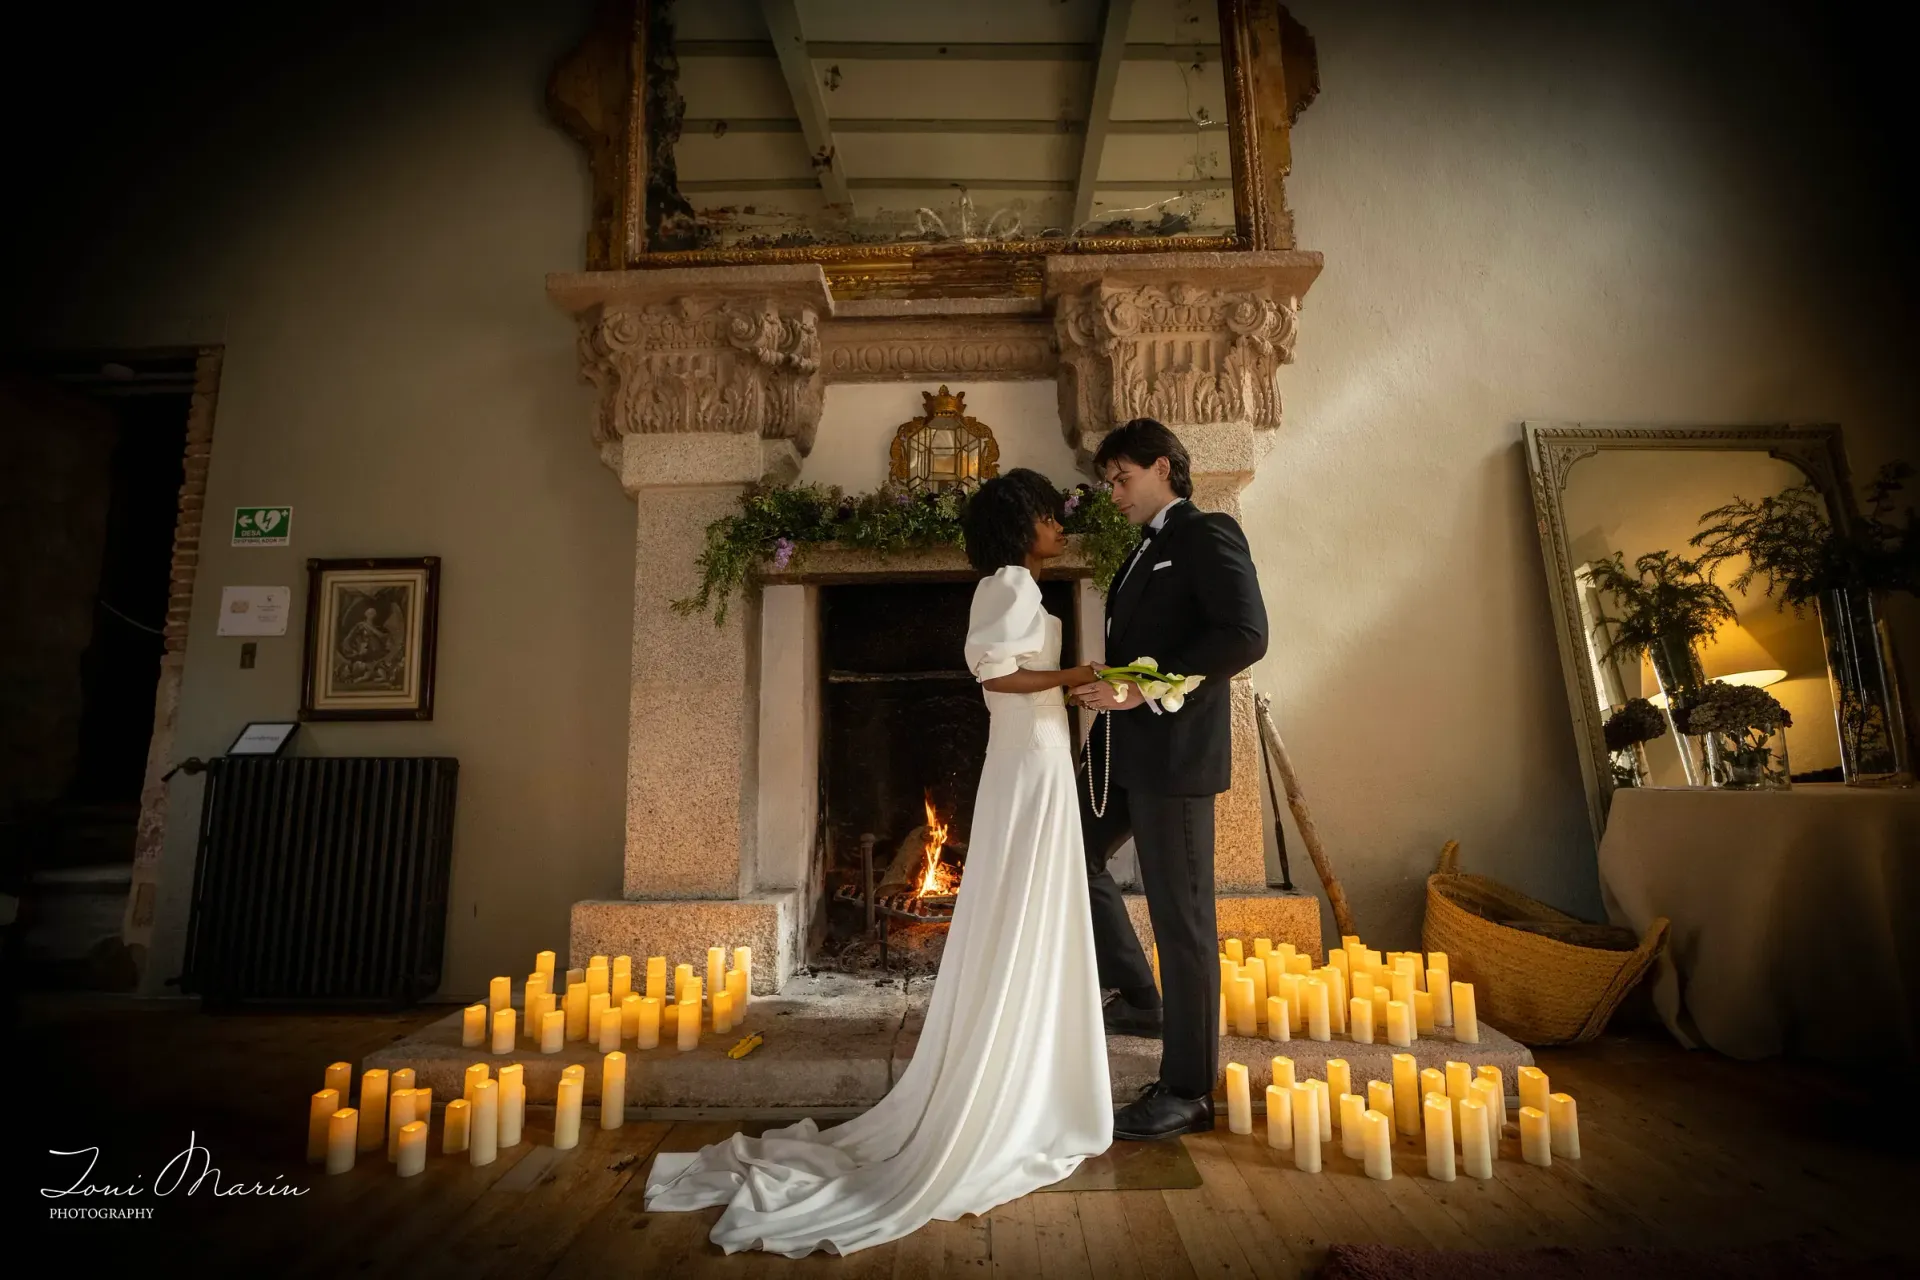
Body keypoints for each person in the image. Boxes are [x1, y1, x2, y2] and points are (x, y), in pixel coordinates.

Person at [643, 468, 1113, 1257]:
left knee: (1037, 908)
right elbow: (995, 675)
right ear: (1019, 523)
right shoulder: (1004, 586)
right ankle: (1015, 1087)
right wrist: (1078, 678)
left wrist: (1081, 692)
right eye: (1047, 515)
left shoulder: (1020, 586)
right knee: (1026, 906)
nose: (1059, 526)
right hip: (1027, 758)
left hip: (1036, 753)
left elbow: (1018, 680)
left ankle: (1036, 1075)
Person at [1069, 418, 1269, 1141]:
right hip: (1121, 750)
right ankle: (1141, 996)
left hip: (1174, 754)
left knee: (1184, 921)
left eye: (1121, 478)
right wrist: (1107, 694)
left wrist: (1141, 692)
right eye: (1107, 482)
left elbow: (1246, 634)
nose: (1112, 492)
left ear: (1162, 466)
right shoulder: (1137, 552)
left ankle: (1187, 1088)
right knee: (1069, 852)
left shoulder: (1206, 533)